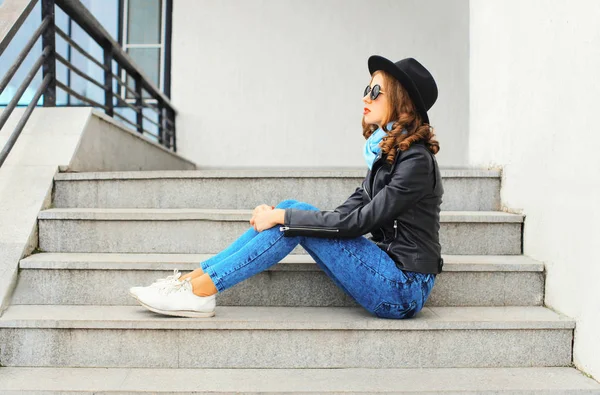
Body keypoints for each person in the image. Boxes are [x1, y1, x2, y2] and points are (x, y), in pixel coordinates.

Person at [129, 55, 444, 319]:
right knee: (293, 212)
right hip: (387, 272)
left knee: (293, 215)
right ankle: (191, 280)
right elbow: (343, 214)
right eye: (367, 89)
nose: (365, 97)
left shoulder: (415, 162)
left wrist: (283, 217)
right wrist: (282, 215)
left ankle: (199, 291)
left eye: (376, 92)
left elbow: (357, 223)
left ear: (402, 105)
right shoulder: (386, 157)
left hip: (404, 288)